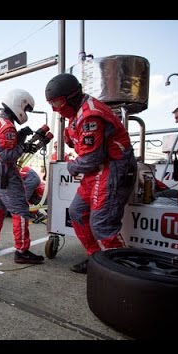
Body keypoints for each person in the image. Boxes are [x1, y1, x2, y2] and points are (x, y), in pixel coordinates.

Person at [45, 73, 137, 274]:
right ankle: (95, 258)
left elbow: (91, 158)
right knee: (77, 212)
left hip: (113, 168)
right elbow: (77, 141)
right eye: (51, 103)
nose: (55, 108)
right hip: (98, 171)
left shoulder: (90, 114)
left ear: (72, 96)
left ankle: (121, 272)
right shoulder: (76, 114)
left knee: (102, 224)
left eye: (58, 102)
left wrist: (71, 166)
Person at [0, 89, 45, 264]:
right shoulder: (8, 126)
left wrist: (20, 136)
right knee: (21, 210)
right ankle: (22, 251)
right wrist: (23, 147)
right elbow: (6, 155)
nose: (25, 113)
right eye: (26, 109)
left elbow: (1, 148)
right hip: (5, 172)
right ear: (19, 104)